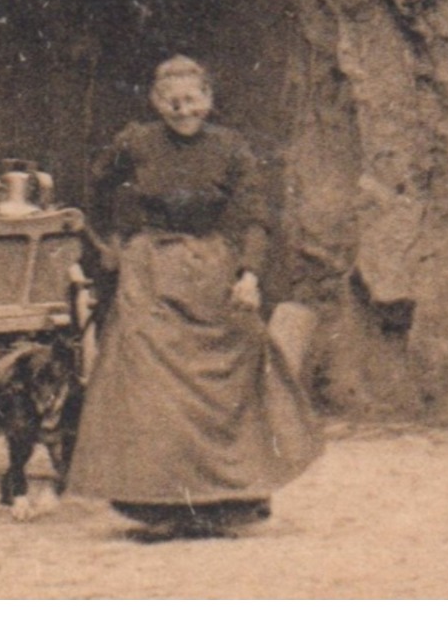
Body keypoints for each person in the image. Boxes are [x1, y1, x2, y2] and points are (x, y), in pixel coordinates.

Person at [66, 55, 321, 537]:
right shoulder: (136, 142)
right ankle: (157, 506)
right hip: (149, 273)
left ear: (208, 99)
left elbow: (255, 215)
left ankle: (231, 498)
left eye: (192, 100)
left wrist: (248, 274)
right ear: (156, 102)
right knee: (147, 379)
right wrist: (112, 243)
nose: (183, 111)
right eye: (171, 102)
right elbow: (97, 185)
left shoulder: (231, 148)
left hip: (211, 270)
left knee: (240, 361)